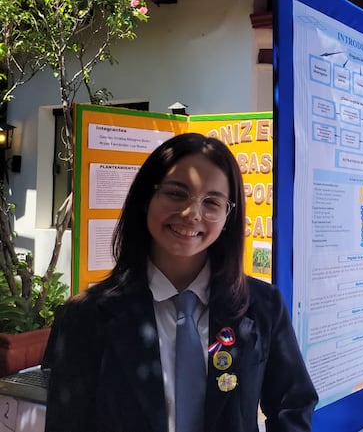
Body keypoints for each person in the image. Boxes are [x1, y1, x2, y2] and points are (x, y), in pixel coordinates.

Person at [42, 134, 318, 432]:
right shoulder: (86, 316)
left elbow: (293, 404)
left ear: (228, 216)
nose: (192, 214)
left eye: (212, 202)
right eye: (176, 194)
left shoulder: (262, 305)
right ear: (146, 198)